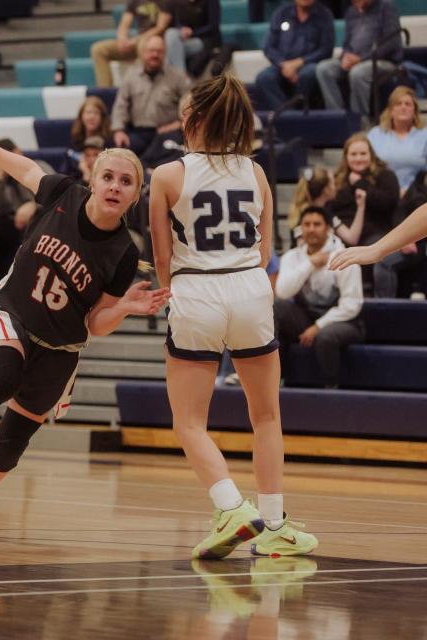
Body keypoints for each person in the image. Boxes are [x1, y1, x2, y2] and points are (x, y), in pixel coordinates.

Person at [0, 109, 170, 543]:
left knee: (12, 442)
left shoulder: (123, 254)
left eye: (126, 181)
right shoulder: (64, 193)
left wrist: (126, 309)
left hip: (60, 349)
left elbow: (96, 324)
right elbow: (26, 169)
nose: (115, 186)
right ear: (93, 180)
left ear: (136, 195)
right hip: (13, 313)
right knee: (2, 376)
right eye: (108, 176)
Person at [149, 74, 318, 559]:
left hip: (196, 289)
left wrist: (174, 288)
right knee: (266, 416)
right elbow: (266, 252)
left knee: (188, 421)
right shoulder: (257, 172)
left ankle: (231, 507)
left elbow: (163, 258)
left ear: (192, 119)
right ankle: (275, 527)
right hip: (248, 286)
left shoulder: (166, 175)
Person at [275, 207, 364, 388]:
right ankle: (277, 380)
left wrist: (318, 326)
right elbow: (283, 292)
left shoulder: (344, 257)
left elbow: (352, 305)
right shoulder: (291, 257)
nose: (311, 229)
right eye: (306, 224)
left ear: (328, 229)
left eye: (317, 224)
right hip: (307, 317)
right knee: (278, 307)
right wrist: (310, 263)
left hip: (345, 322)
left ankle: (331, 389)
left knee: (325, 336)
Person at [327, 134, 403, 297]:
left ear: (371, 155)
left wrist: (361, 184)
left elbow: (389, 203)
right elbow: (329, 207)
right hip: (342, 234)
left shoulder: (385, 176)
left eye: (363, 154)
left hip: (377, 233)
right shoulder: (338, 180)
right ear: (346, 157)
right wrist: (342, 230)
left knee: (371, 249)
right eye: (353, 154)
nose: (358, 158)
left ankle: (381, 305)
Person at [0, 140, 55, 287]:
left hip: (42, 219)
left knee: (34, 222)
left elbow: (57, 195)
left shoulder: (38, 166)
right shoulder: (3, 178)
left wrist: (34, 207)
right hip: (15, 222)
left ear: (18, 152)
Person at [110, 34, 190, 169]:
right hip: (138, 133)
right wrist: (119, 131)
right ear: (143, 52)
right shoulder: (131, 75)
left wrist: (177, 124)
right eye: (151, 50)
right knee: (116, 154)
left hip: (166, 133)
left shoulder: (177, 77)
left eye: (159, 51)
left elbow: (188, 106)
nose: (155, 54)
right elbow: (121, 105)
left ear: (165, 54)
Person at [316, 0, 402, 115]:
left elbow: (391, 44)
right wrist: (346, 56)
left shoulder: (386, 8)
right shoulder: (351, 12)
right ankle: (338, 115)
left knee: (358, 73)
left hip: (383, 61)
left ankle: (360, 120)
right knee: (323, 69)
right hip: (354, 60)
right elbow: (347, 43)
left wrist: (361, 59)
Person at [254, 0, 334, 111]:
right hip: (282, 65)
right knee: (264, 78)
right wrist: (284, 65)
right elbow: (268, 47)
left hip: (309, 64)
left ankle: (297, 113)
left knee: (308, 74)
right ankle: (287, 114)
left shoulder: (324, 15)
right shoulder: (281, 13)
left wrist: (299, 63)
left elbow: (325, 50)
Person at [90, 0, 172, 87]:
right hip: (137, 41)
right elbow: (124, 24)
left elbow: (160, 27)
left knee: (143, 45)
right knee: (98, 49)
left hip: (158, 41)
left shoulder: (166, 2)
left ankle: (140, 89)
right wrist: (122, 39)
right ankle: (105, 91)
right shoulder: (135, 2)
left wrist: (135, 40)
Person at [367, 86, 427, 196]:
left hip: (417, 195)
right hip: (382, 195)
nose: (403, 107)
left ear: (414, 111)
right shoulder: (375, 134)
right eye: (398, 104)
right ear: (390, 110)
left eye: (408, 104)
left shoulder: (424, 135)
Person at [288, 166, 366, 246]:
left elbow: (352, 238)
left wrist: (361, 206)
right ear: (326, 190)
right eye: (333, 183)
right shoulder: (304, 214)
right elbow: (305, 253)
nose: (336, 186)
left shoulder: (327, 211)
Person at [164, 0, 221, 76]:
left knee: (171, 47)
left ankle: (179, 78)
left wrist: (192, 33)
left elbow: (213, 26)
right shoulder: (180, 2)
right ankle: (182, 78)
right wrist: (182, 29)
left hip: (205, 39)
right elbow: (177, 23)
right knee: (170, 33)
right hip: (185, 39)